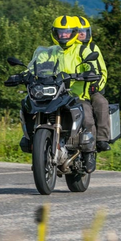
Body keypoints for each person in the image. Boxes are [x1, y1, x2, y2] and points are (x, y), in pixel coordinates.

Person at [51, 15, 98, 172]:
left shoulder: (82, 50)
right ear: (55, 33)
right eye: (60, 32)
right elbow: (35, 67)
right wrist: (24, 74)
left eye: (67, 33)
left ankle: (89, 152)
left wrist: (89, 75)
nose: (63, 36)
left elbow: (91, 67)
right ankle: (31, 139)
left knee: (87, 116)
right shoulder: (50, 52)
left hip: (76, 96)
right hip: (54, 95)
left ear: (73, 33)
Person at [75, 17, 111, 151]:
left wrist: (97, 85)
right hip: (76, 90)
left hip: (92, 88)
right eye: (79, 31)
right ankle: (89, 145)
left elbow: (103, 71)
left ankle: (102, 139)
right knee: (87, 114)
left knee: (102, 103)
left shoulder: (93, 47)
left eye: (85, 31)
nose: (82, 34)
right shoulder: (69, 49)